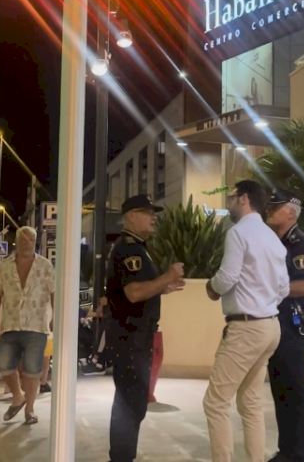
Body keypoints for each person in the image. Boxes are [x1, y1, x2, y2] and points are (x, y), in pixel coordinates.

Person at [203, 180, 289, 462]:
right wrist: (263, 302)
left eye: (231, 197)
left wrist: (212, 287)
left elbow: (228, 277)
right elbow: (283, 288)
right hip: (270, 326)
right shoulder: (272, 238)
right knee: (250, 403)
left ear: (243, 198)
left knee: (216, 402)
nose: (228, 203)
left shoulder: (238, 232)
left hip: (247, 327)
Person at [105, 194, 185, 462]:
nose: (154, 217)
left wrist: (163, 287)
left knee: (134, 402)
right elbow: (134, 293)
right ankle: (121, 457)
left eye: (154, 213)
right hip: (130, 337)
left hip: (136, 336)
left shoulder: (138, 247)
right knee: (130, 402)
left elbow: (141, 291)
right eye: (147, 213)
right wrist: (167, 276)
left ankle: (123, 455)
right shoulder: (129, 249)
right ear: (130, 216)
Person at [265, 190, 304, 462]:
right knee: (282, 389)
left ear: (290, 213)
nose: (269, 211)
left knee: (295, 391)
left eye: (275, 207)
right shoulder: (279, 242)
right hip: (280, 323)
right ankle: (287, 451)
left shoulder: (298, 242)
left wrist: (270, 290)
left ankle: (299, 455)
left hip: (293, 324)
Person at [0, 226, 54, 425]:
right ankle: (18, 397)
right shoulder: (5, 266)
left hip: (36, 325)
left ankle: (30, 410)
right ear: (16, 241)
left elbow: (54, 292)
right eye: (23, 239)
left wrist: (55, 318)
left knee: (32, 370)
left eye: (31, 240)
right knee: (5, 364)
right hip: (10, 323)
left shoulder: (45, 265)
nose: (27, 243)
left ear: (35, 242)